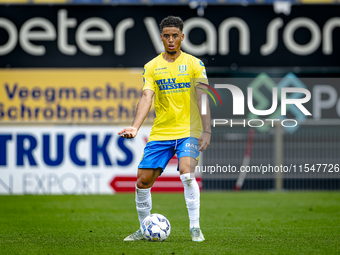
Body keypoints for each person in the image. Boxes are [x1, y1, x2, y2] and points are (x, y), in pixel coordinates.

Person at [118, 16, 211, 242]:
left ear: (182, 37)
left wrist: (207, 130)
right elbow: (146, 97)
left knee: (187, 174)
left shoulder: (194, 64)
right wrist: (135, 126)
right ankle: (144, 228)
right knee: (142, 182)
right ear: (161, 37)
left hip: (189, 129)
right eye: (166, 36)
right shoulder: (151, 67)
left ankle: (195, 228)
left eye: (175, 36)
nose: (171, 40)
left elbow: (203, 98)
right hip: (162, 132)